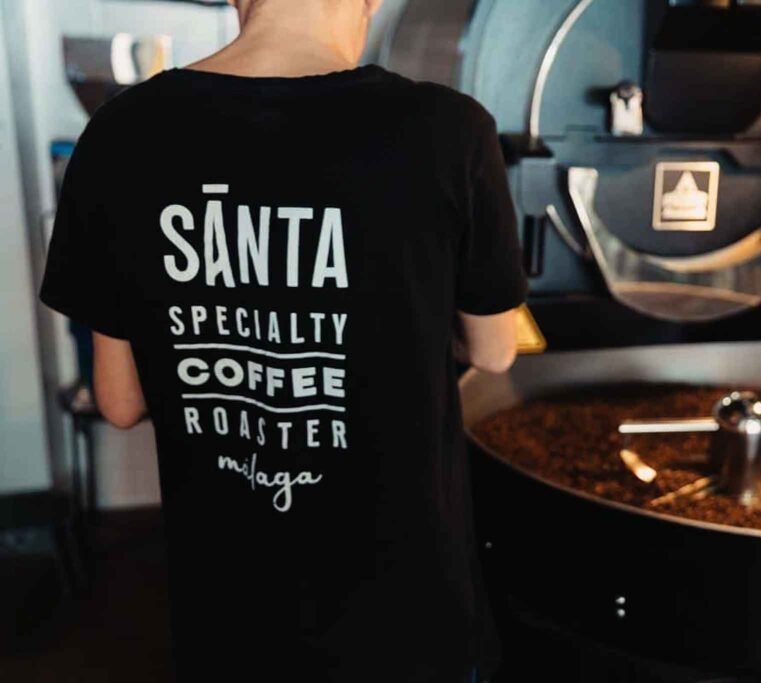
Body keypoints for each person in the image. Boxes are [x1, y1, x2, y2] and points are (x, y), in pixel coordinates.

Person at [39, 0, 526, 680]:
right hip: (405, 613)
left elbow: (119, 401)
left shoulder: (120, 132)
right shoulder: (451, 131)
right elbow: (496, 351)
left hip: (229, 611)